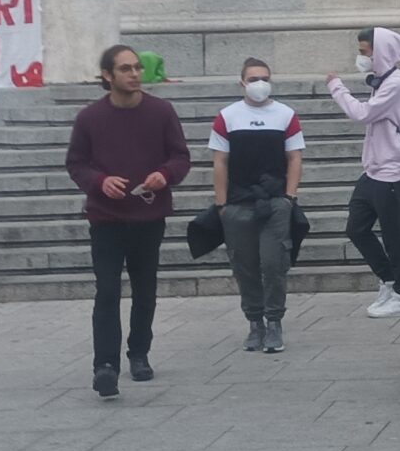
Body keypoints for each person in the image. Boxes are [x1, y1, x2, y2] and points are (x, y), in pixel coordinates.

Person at [65, 42, 191, 397]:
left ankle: (139, 354)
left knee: (144, 289)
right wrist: (100, 182)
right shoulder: (90, 118)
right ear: (107, 76)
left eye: (137, 68)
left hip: (148, 215)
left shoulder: (161, 111)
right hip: (105, 217)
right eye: (126, 69)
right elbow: (77, 163)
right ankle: (104, 365)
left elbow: (181, 157)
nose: (135, 74)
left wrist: (164, 175)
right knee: (106, 290)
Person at [210, 57, 305, 355]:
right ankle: (255, 321)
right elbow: (220, 161)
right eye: (253, 79)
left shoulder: (286, 115)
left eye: (264, 78)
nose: (259, 84)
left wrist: (289, 197)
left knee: (274, 263)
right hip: (239, 203)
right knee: (245, 266)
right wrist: (221, 204)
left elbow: (295, 157)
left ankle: (274, 320)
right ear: (242, 83)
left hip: (275, 201)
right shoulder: (228, 117)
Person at [327, 27, 400, 318]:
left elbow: (361, 114)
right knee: (356, 228)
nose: (361, 57)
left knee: (392, 234)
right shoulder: (382, 81)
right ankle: (388, 279)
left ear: (381, 52)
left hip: (391, 171)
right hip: (374, 169)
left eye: (365, 51)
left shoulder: (395, 85)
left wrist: (337, 87)